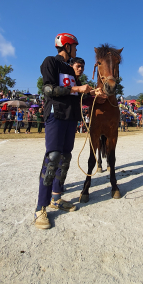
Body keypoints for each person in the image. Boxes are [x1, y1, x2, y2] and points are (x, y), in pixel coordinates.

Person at [34, 32, 95, 230]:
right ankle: (40, 208)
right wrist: (77, 89)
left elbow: (77, 96)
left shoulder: (70, 70)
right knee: (52, 157)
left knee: (65, 157)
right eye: (75, 47)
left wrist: (94, 94)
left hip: (71, 117)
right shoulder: (50, 62)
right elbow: (49, 90)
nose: (76, 50)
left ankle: (56, 198)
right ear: (67, 46)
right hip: (55, 114)